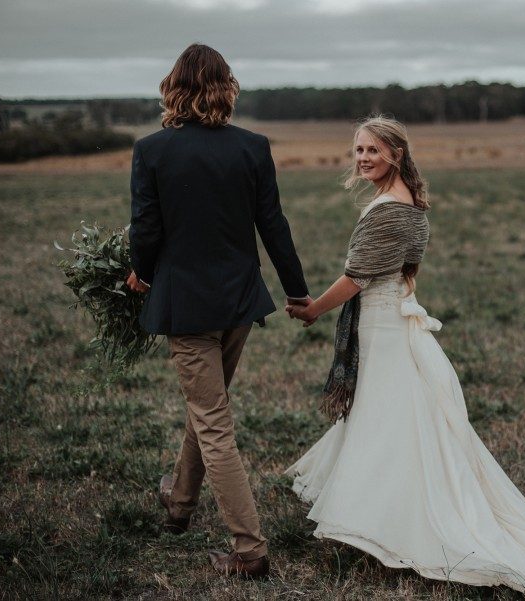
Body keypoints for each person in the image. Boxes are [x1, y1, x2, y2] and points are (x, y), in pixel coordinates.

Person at [284, 115, 525, 600]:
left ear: (396, 153)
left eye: (373, 150)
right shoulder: (406, 203)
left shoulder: (392, 209)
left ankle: (391, 520)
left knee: (388, 423)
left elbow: (357, 278)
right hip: (387, 321)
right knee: (391, 420)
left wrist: (312, 310)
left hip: (383, 326)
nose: (363, 158)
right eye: (358, 150)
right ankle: (380, 512)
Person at [126, 43, 311, 580]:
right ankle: (180, 502)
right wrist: (296, 290)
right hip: (236, 301)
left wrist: (140, 269)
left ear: (174, 88)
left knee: (212, 420)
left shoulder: (152, 151)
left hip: (186, 306)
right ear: (226, 87)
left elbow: (147, 229)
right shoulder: (252, 147)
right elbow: (272, 225)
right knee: (208, 407)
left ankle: (250, 551)